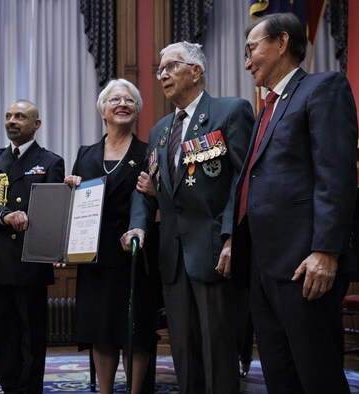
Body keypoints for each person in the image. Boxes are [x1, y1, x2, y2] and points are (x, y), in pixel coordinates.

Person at [234, 13, 358, 393]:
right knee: (279, 374)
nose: (246, 61)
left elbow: (334, 175)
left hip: (305, 263)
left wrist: (325, 250)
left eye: (252, 48)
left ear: (282, 42)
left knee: (317, 374)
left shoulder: (323, 88)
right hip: (264, 264)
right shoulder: (266, 107)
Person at [121, 41, 254, 393]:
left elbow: (244, 183)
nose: (162, 74)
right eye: (160, 69)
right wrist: (138, 224)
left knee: (217, 349)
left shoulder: (230, 112)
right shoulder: (160, 131)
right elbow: (147, 187)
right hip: (173, 257)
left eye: (171, 66)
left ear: (196, 71)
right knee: (184, 351)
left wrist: (232, 238)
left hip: (214, 251)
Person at [64, 79, 159, 394]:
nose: (123, 104)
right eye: (115, 99)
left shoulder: (148, 152)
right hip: (94, 256)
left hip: (134, 252)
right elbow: (75, 208)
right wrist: (72, 187)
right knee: (100, 329)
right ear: (102, 110)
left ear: (137, 111)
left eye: (130, 100)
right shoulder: (85, 153)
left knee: (136, 330)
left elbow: (147, 201)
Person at [0, 100, 65, 393]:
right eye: (9, 116)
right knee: (2, 332)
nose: (12, 121)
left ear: (36, 124)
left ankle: (29, 388)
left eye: (20, 117)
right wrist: (4, 215)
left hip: (30, 261)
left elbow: (52, 211)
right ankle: (9, 387)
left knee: (31, 335)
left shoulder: (50, 161)